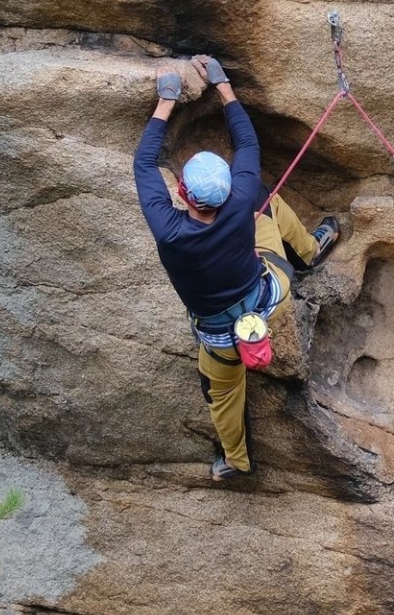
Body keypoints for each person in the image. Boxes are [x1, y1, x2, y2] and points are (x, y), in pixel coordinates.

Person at [133, 54, 339, 481]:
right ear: (227, 190)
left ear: (184, 195)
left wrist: (166, 100)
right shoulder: (243, 197)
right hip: (270, 299)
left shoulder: (169, 230)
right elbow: (247, 144)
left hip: (222, 339)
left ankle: (236, 462)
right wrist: (223, 84)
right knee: (267, 202)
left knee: (221, 390)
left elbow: (143, 164)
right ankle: (308, 253)